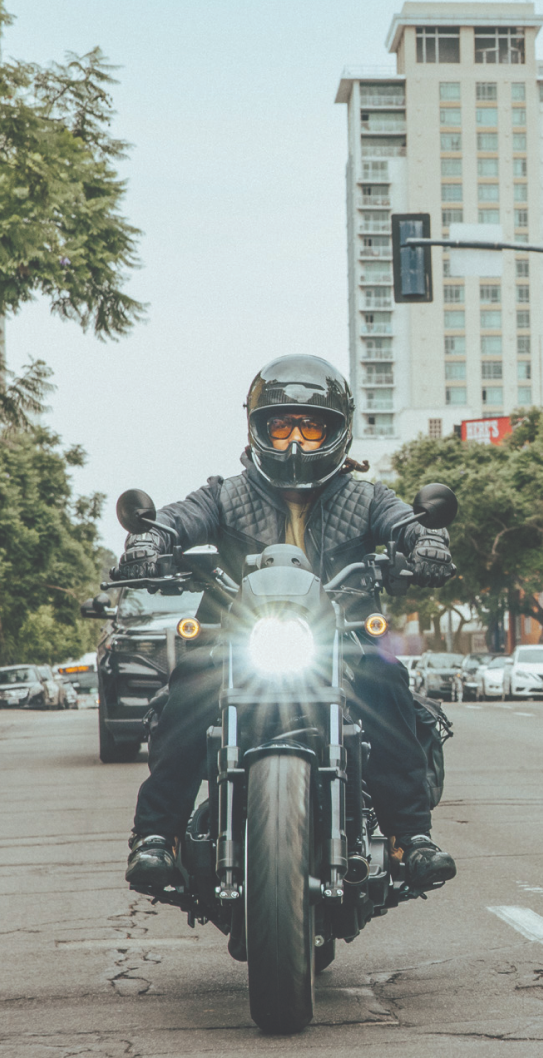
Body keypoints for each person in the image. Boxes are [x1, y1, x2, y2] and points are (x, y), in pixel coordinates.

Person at [114, 354, 459, 898]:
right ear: (257, 430)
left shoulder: (367, 499)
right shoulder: (226, 495)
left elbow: (401, 524)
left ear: (337, 432)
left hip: (339, 637)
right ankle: (157, 836)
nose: (295, 441)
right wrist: (149, 540)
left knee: (386, 685)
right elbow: (179, 518)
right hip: (235, 636)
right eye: (281, 426)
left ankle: (408, 836)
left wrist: (427, 541)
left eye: (310, 426)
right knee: (186, 697)